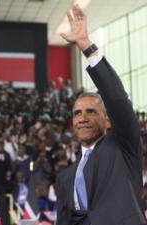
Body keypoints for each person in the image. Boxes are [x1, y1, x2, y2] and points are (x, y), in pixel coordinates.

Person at [56, 5, 145, 225]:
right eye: (77, 113)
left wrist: (86, 45)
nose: (82, 117)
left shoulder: (123, 146)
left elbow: (116, 98)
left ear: (108, 120)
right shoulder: (66, 176)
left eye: (91, 111)